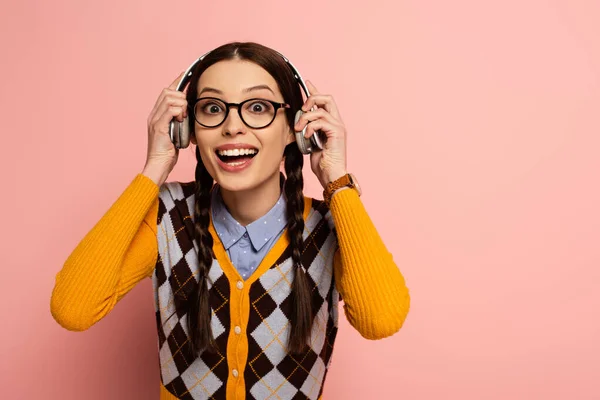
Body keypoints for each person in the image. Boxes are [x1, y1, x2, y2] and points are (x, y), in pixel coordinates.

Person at [50, 41, 410, 400]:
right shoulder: (167, 215)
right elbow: (73, 309)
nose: (232, 126)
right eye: (211, 108)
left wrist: (337, 180)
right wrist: (155, 167)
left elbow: (380, 319)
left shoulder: (332, 225)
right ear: (187, 129)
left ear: (295, 129)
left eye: (257, 107)